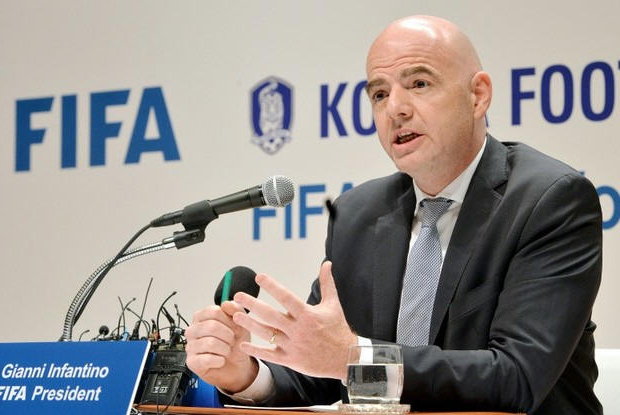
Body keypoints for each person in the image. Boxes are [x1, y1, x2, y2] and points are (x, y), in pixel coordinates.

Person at [185, 15, 603, 414]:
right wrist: (245, 374)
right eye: (380, 94)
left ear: (477, 96)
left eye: (419, 83)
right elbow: (326, 373)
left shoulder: (549, 200)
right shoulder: (359, 215)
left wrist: (354, 357)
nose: (396, 109)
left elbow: (516, 377)